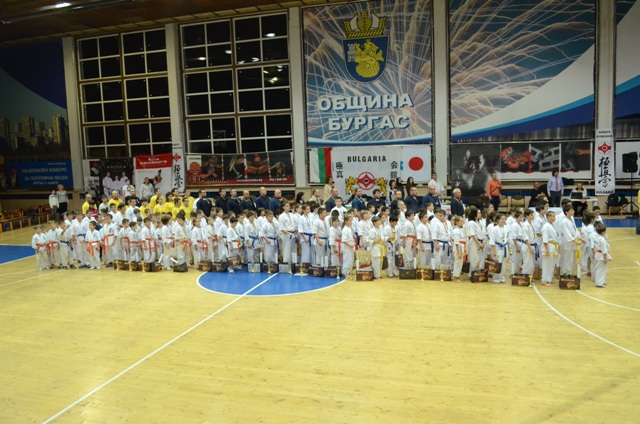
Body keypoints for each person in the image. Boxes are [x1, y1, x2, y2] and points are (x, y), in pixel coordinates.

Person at [541, 211, 558, 286]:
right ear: (549, 217)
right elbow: (545, 240)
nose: (554, 218)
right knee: (546, 264)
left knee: (551, 264)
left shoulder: (552, 225)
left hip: (552, 246)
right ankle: (544, 280)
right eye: (553, 216)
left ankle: (549, 279)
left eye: (554, 216)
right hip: (548, 246)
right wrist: (547, 250)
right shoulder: (546, 227)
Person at [592, 223, 610, 288]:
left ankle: (601, 281)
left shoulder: (597, 237)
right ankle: (599, 283)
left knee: (602, 269)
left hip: (597, 254)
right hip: (601, 256)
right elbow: (604, 249)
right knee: (600, 269)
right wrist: (605, 258)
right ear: (603, 232)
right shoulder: (601, 239)